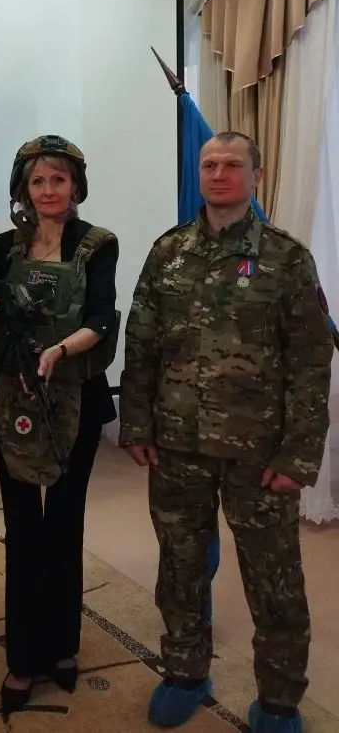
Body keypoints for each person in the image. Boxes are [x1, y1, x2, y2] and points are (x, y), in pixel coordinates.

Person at [118, 131, 334, 733]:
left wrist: (298, 454)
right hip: (177, 446)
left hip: (258, 454)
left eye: (232, 165)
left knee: (274, 580)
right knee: (180, 567)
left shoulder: (286, 258)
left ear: (255, 176)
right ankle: (186, 673)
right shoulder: (169, 252)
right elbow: (141, 345)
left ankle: (279, 701)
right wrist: (136, 423)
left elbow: (311, 362)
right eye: (209, 164)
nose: (218, 174)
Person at [0, 134, 120, 715]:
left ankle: (63, 646)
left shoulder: (97, 244)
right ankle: (25, 657)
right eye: (38, 181)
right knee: (24, 527)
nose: (49, 190)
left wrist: (60, 350)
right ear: (23, 189)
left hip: (76, 395)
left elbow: (102, 317)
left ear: (76, 185)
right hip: (15, 399)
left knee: (65, 523)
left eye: (59, 179)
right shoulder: (6, 246)